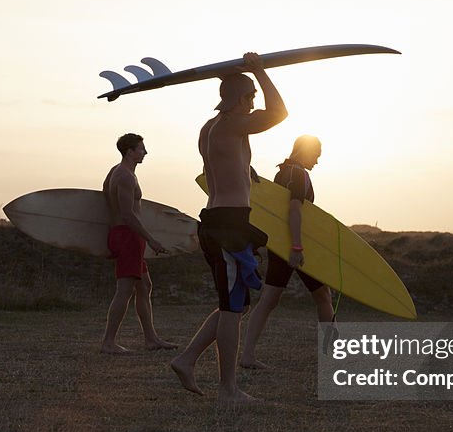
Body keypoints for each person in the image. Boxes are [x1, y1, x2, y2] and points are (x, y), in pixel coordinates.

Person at [170, 53, 288, 402]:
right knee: (233, 307)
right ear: (240, 98)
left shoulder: (210, 127)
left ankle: (187, 359)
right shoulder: (234, 124)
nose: (254, 103)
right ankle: (228, 389)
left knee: (231, 303)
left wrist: (245, 170)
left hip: (217, 220)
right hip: (229, 224)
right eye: (251, 96)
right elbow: (280, 112)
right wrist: (260, 71)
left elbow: (223, 164)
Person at [239, 135, 334, 369]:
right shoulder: (298, 174)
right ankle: (331, 354)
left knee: (272, 299)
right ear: (304, 151)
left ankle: (247, 355)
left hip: (281, 245)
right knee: (322, 296)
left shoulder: (284, 172)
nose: (318, 161)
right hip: (295, 245)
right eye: (316, 155)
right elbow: (294, 211)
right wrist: (297, 246)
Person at [100, 134, 178, 355]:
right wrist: (151, 239)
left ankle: (151, 339)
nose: (145, 152)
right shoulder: (125, 176)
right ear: (129, 151)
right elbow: (127, 215)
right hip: (129, 236)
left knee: (144, 286)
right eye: (141, 148)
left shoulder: (114, 172)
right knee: (124, 290)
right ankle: (108, 342)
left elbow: (106, 200)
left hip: (122, 235)